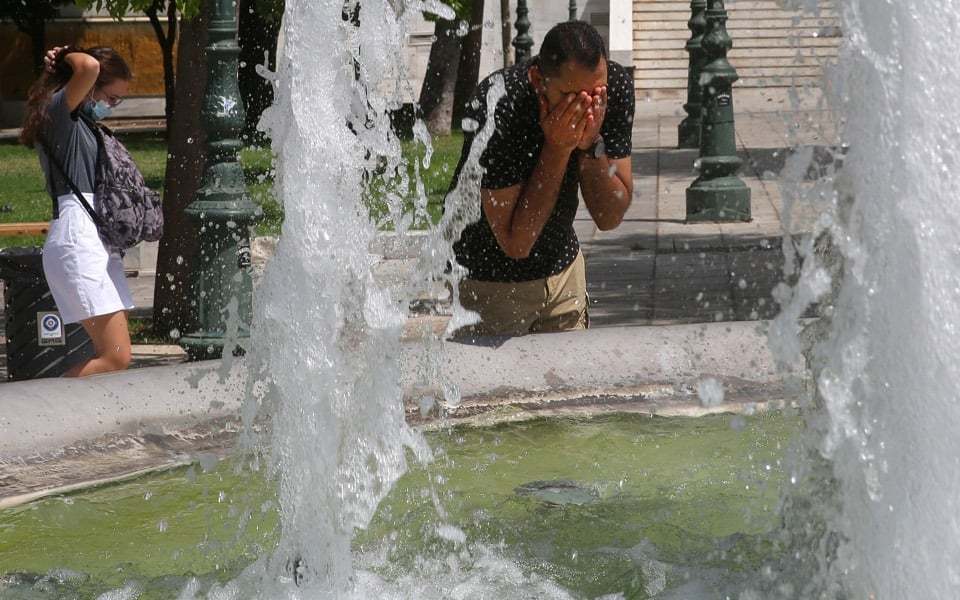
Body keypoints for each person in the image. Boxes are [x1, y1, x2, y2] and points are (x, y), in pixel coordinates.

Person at [450, 21, 635, 337]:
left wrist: (591, 145)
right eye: (571, 96)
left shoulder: (613, 88)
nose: (586, 108)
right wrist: (559, 148)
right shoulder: (499, 104)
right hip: (492, 285)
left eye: (594, 94)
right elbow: (516, 243)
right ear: (538, 80)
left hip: (564, 275)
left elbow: (610, 216)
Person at [19, 46, 135, 376]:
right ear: (88, 86)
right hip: (77, 237)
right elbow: (88, 65)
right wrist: (67, 53)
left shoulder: (81, 122)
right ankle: (41, 413)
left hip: (96, 239)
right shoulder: (59, 115)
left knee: (115, 355)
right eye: (110, 98)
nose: (111, 107)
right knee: (115, 357)